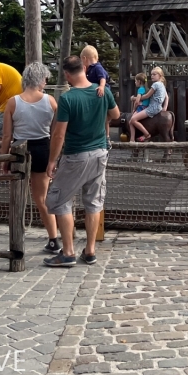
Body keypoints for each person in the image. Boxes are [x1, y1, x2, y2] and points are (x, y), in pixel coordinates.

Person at [43, 55, 120, 268]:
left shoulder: (68, 99)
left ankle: (67, 252)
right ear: (84, 68)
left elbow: (59, 135)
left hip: (76, 155)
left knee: (60, 200)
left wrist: (52, 161)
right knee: (93, 202)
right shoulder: (101, 91)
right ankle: (90, 250)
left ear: (67, 74)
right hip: (100, 153)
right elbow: (116, 114)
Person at [1, 62, 61, 254]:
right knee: (41, 198)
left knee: (17, 197)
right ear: (39, 79)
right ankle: (53, 238)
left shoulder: (13, 102)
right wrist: (55, 157)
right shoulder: (50, 101)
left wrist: (3, 159)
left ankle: (17, 237)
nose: (46, 82)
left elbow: (6, 136)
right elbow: (56, 131)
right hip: (43, 147)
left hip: (19, 150)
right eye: (45, 78)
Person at [129, 67, 166, 142]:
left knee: (133, 119)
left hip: (152, 108)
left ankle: (146, 134)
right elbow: (166, 97)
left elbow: (147, 96)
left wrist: (134, 99)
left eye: (154, 74)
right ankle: (132, 139)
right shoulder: (162, 85)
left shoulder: (155, 85)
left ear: (160, 75)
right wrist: (164, 107)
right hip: (158, 107)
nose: (152, 76)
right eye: (151, 74)